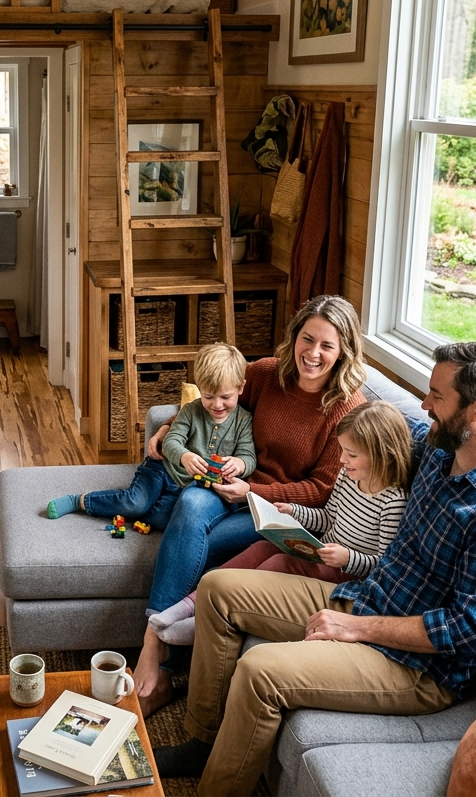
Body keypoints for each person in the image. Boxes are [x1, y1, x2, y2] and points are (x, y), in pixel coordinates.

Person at [155, 342, 476, 797]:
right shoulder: (438, 449)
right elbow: (364, 428)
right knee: (218, 589)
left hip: (418, 667)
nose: (424, 405)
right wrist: (171, 434)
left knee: (259, 670)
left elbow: (465, 631)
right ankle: (203, 739)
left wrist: (357, 628)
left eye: (437, 397)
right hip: (369, 596)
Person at [135, 294, 367, 712]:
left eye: (327, 346)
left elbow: (322, 490)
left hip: (276, 512)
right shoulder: (262, 375)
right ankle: (154, 638)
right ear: (294, 336)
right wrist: (167, 430)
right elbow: (208, 406)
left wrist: (254, 492)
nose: (313, 353)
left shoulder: (347, 409)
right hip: (223, 490)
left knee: (198, 541)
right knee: (189, 502)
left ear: (344, 351)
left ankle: (163, 666)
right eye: (307, 338)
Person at [149, 399, 411, 645]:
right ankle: (188, 604)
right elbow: (329, 517)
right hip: (324, 552)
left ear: (382, 455)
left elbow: (383, 564)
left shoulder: (392, 502)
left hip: (347, 573)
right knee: (261, 549)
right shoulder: (348, 477)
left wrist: (347, 558)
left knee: (279, 562)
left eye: (351, 454)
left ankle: (206, 618)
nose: (342, 460)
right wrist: (293, 511)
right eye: (342, 451)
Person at [47, 344, 255, 531]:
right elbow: (172, 440)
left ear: (241, 388)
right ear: (200, 389)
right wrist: (184, 456)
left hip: (188, 486)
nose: (217, 405)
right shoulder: (191, 411)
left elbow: (249, 456)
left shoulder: (244, 420)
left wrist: (240, 463)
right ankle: (81, 501)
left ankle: (131, 503)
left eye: (226, 397)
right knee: (135, 503)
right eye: (208, 396)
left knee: (161, 520)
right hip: (163, 468)